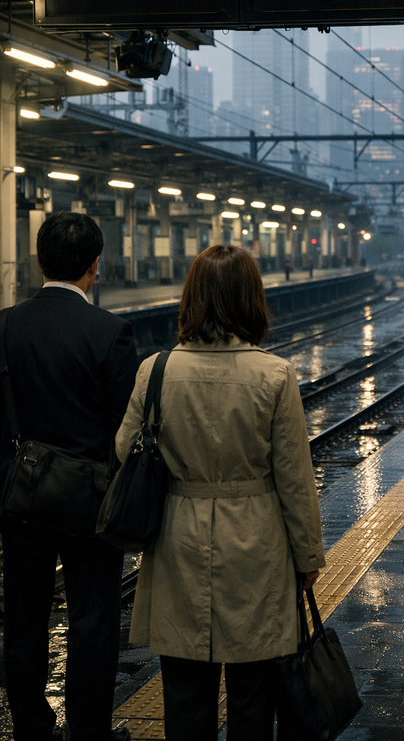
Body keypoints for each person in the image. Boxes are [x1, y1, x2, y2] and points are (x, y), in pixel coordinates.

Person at [115, 244, 326, 741]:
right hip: (257, 546)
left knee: (185, 701)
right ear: (252, 300)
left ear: (192, 299)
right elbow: (294, 477)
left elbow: (125, 450)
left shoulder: (156, 370)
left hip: (176, 542)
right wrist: (308, 556)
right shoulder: (274, 374)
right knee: (254, 700)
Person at [1, 211, 139, 741]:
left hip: (22, 500)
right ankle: (89, 732)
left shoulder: (5, 325)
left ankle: (32, 730)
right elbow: (126, 427)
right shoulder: (110, 332)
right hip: (92, 503)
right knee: (92, 623)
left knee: (24, 622)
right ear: (95, 266)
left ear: (38, 260)